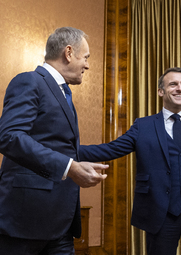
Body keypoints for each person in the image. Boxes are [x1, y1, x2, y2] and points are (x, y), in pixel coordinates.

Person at [79, 67, 181, 255]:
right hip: (160, 216)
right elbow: (111, 149)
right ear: (160, 91)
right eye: (173, 84)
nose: (180, 88)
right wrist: (66, 151)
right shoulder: (144, 125)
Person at [0, 27, 108, 254]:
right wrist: (69, 167)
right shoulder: (29, 81)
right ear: (69, 53)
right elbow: (10, 137)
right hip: (26, 221)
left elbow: (62, 147)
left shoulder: (63, 92)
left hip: (61, 222)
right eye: (86, 58)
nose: (87, 65)